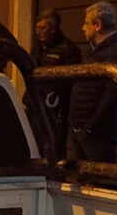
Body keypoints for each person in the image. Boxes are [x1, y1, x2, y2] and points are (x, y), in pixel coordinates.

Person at [69, 1, 117, 163]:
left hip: (99, 130)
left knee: (102, 178)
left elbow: (113, 93)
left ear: (97, 25)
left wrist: (91, 127)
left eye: (86, 23)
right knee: (86, 177)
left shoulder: (116, 50)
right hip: (85, 127)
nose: (83, 28)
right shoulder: (97, 50)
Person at [31, 8, 82, 159]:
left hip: (55, 110)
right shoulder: (38, 47)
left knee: (54, 148)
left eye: (42, 28)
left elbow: (69, 82)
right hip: (36, 106)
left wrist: (54, 99)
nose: (38, 32)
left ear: (53, 29)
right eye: (37, 28)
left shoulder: (68, 50)